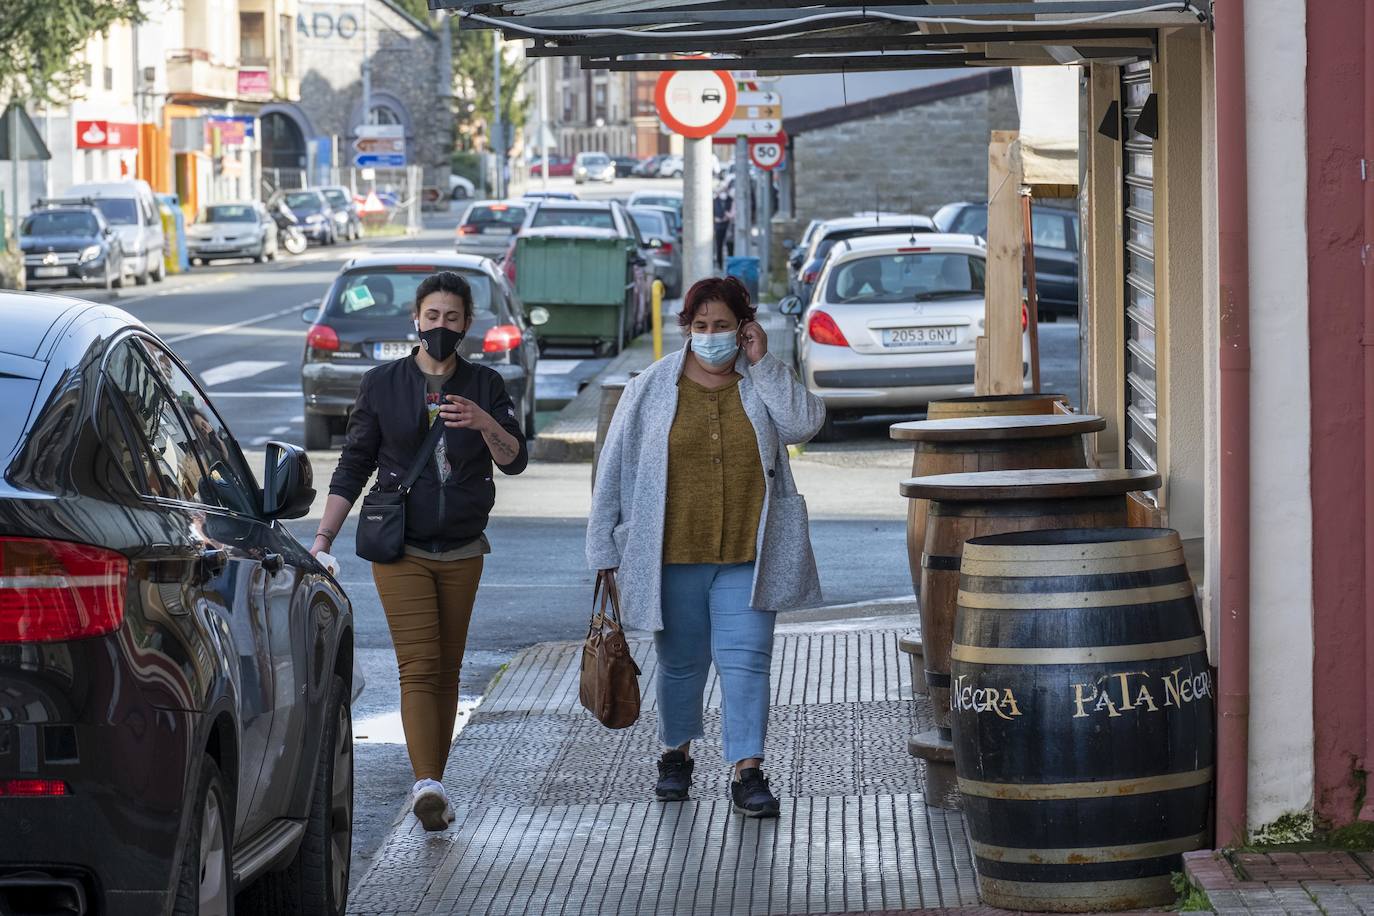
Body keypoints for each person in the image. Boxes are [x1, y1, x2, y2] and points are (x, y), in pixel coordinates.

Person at [586, 276, 825, 818]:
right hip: (672, 554)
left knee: (747, 663)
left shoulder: (759, 381)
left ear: (744, 328)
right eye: (701, 327)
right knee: (681, 664)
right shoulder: (650, 386)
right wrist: (602, 545)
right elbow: (615, 467)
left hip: (748, 553)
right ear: (687, 329)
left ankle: (748, 772)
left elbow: (806, 423)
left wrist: (763, 364)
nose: (711, 337)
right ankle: (676, 756)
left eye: (723, 326)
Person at [311, 270, 528, 830]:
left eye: (451, 318)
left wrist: (482, 422)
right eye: (432, 316)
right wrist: (323, 538)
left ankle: (435, 781)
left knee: (449, 669)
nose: (440, 326)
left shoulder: (485, 385)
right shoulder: (382, 384)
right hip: (399, 545)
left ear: (466, 325)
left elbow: (513, 458)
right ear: (416, 319)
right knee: (420, 665)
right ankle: (426, 783)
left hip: (462, 546)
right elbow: (354, 463)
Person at [713, 188, 734, 269]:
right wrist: (715, 219)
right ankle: (720, 265)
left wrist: (727, 217)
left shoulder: (730, 200)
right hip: (718, 226)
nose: (723, 193)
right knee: (719, 246)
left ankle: (730, 265)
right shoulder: (715, 201)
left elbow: (733, 213)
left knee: (730, 246)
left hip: (728, 226)